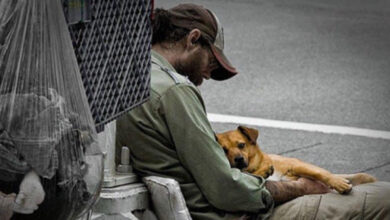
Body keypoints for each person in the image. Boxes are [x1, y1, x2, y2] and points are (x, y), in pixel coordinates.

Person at [116, 3, 390, 220]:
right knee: (385, 198)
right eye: (211, 61)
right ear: (193, 39)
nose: (208, 76)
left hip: (193, 205)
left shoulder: (127, 78)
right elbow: (226, 188)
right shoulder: (175, 91)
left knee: (362, 186)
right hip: (238, 214)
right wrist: (299, 188)